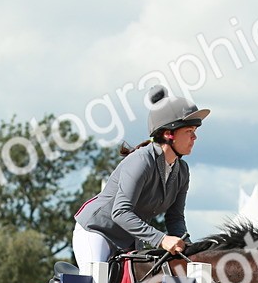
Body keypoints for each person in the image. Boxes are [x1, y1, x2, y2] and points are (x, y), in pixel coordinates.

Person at [72, 86, 209, 269]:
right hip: (98, 231)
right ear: (169, 134)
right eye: (189, 131)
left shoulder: (182, 171)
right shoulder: (141, 161)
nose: (194, 137)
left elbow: (175, 218)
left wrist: (189, 249)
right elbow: (120, 212)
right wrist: (161, 239)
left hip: (130, 241)